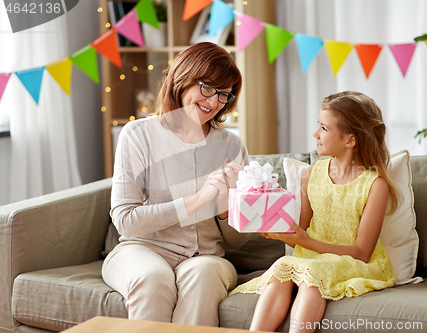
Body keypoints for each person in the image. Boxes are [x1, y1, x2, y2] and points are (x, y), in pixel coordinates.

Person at [102, 42, 250, 326]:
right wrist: (199, 198)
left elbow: (238, 241)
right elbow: (126, 221)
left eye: (223, 94)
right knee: (152, 278)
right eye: (207, 87)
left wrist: (223, 210)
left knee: (205, 273)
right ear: (183, 79)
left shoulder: (231, 145)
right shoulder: (138, 134)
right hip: (141, 250)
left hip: (206, 257)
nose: (214, 101)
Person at [230, 91, 400, 332]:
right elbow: (301, 227)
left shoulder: (374, 184)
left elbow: (362, 253)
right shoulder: (310, 174)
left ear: (350, 140)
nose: (315, 134)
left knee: (312, 276)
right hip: (311, 257)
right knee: (281, 267)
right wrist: (274, 226)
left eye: (324, 128)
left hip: (351, 262)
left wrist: (305, 240)